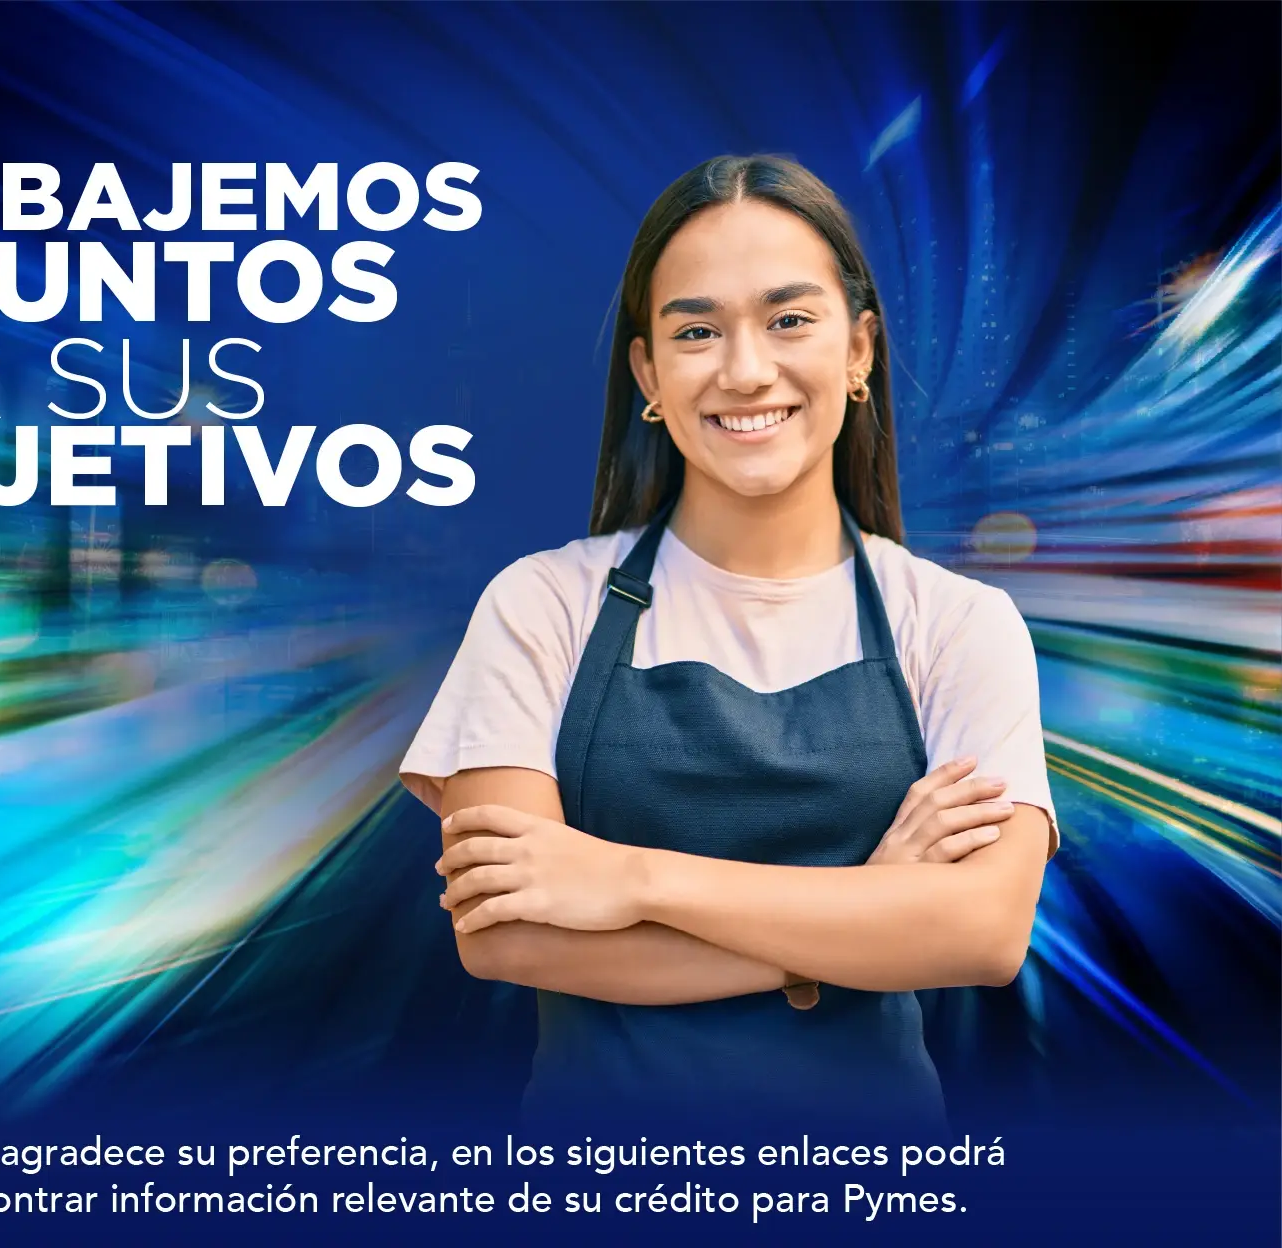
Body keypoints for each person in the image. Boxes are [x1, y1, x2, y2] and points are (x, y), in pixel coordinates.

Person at [398, 154, 1059, 1133]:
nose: (745, 369)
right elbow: (507, 936)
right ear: (647, 376)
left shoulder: (958, 623)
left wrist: (627, 879)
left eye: (789, 320)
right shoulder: (540, 605)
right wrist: (863, 913)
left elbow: (980, 932)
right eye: (696, 331)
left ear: (858, 351)